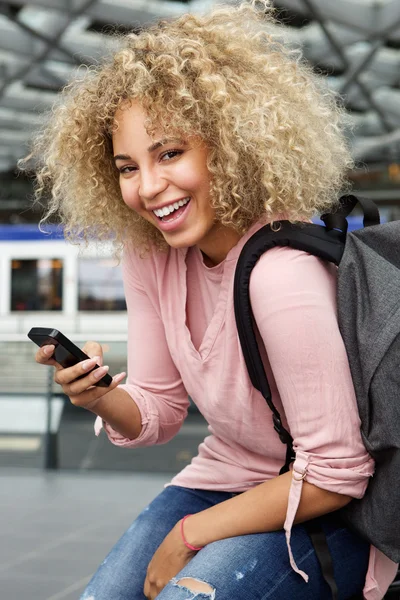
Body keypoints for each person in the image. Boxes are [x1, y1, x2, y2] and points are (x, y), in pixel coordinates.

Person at [25, 1, 397, 598]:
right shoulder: (151, 256)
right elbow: (157, 414)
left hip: (323, 507)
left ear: (228, 146)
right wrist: (99, 396)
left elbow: (336, 473)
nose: (148, 188)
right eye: (127, 167)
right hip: (222, 478)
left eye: (170, 153)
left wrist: (189, 536)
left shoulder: (281, 272)